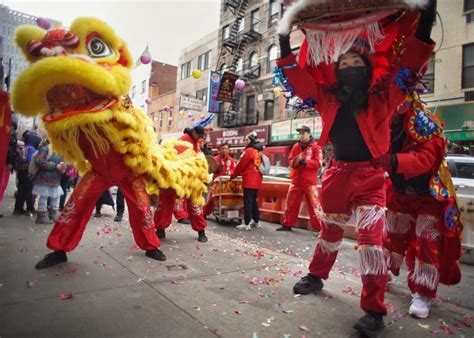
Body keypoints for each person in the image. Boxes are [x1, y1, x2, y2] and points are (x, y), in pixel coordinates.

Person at [276, 1, 436, 335]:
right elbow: (295, 77)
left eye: (355, 61)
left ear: (365, 68)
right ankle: (316, 276)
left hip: (370, 178)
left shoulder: (384, 95)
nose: (349, 63)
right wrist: (282, 38)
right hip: (336, 174)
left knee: (372, 244)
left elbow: (412, 63)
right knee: (329, 232)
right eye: (343, 60)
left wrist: (427, 17)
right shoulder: (326, 96)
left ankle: (374, 312)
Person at [382, 93, 462, 319]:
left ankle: (423, 292)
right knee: (393, 236)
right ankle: (387, 270)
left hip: (429, 194)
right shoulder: (378, 121)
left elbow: (427, 159)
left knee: (427, 243)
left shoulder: (425, 123)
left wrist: (392, 161)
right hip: (400, 192)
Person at [154, 125, 209, 242]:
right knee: (164, 203)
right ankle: (160, 230)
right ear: (194, 132)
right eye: (198, 135)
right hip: (176, 178)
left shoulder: (196, 142)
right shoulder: (183, 141)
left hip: (192, 179)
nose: (200, 138)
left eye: (201, 137)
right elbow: (175, 160)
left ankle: (201, 231)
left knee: (196, 205)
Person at [277, 125, 321, 231]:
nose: (301, 135)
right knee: (291, 203)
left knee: (314, 206)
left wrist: (305, 163)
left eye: (303, 133)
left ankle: (321, 228)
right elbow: (291, 159)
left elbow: (318, 163)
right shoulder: (296, 146)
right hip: (296, 180)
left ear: (309, 134)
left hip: (310, 182)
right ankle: (287, 224)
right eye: (300, 133)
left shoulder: (316, 147)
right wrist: (295, 163)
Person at [230, 131, 263, 230]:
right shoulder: (258, 151)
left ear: (250, 140)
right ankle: (256, 221)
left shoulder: (249, 151)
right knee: (253, 201)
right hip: (257, 179)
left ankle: (247, 222)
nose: (245, 141)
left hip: (249, 180)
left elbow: (241, 165)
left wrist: (233, 175)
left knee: (248, 201)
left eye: (246, 139)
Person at [31, 139, 66, 224]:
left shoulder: (62, 150)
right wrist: (55, 166)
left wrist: (63, 166)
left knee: (55, 196)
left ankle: (52, 214)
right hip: (44, 178)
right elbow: (39, 160)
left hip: (55, 179)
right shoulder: (46, 148)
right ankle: (41, 216)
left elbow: (64, 162)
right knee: (43, 196)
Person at [13, 130, 42, 216]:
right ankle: (30, 209)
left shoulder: (21, 148)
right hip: (29, 174)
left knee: (20, 190)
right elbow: (33, 163)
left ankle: (18, 209)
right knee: (29, 192)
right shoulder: (34, 151)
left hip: (20, 172)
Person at [203, 143, 235, 218]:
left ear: (228, 150)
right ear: (219, 150)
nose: (224, 150)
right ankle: (204, 213)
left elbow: (234, 170)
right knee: (211, 199)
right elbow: (210, 170)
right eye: (222, 149)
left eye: (226, 149)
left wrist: (230, 172)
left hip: (228, 184)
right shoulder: (215, 159)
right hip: (216, 184)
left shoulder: (231, 160)